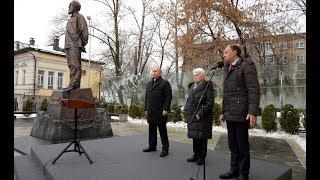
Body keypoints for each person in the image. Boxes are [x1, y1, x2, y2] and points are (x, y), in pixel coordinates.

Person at [219, 44, 260, 180]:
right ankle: (234, 169)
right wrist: (223, 111)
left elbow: (253, 90)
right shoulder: (227, 68)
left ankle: (243, 173)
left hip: (242, 113)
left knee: (242, 145)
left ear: (234, 52)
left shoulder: (246, 66)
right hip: (230, 113)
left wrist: (252, 112)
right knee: (232, 143)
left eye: (226, 52)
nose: (223, 55)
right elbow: (227, 94)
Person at [184, 68, 214, 165]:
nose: (195, 77)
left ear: (203, 76)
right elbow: (189, 99)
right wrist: (186, 108)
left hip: (202, 117)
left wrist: (200, 113)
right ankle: (196, 154)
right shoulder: (192, 86)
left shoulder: (207, 86)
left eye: (197, 75)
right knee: (195, 137)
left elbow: (210, 103)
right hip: (192, 115)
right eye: (194, 75)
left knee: (202, 137)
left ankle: (202, 157)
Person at [143, 66, 172, 157]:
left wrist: (165, 109)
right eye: (153, 71)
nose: (153, 73)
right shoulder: (149, 84)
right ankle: (152, 146)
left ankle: (165, 149)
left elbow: (168, 97)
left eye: (156, 71)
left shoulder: (165, 83)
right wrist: (146, 109)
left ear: (160, 73)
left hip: (160, 112)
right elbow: (146, 98)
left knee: (162, 131)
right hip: (151, 111)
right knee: (151, 130)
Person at [64, 0, 89, 91]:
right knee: (71, 65)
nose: (68, 8)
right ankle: (72, 83)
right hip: (68, 45)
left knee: (76, 65)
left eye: (70, 6)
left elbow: (84, 31)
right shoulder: (70, 19)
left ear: (75, 8)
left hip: (75, 44)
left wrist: (82, 43)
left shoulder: (80, 17)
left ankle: (75, 83)